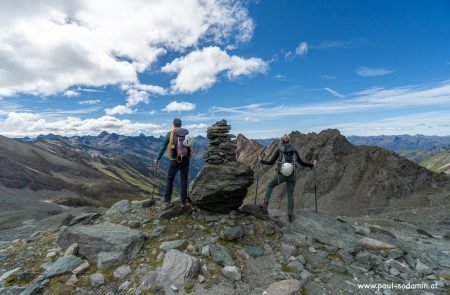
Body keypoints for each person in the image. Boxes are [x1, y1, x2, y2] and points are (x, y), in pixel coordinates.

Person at [258, 134, 316, 222]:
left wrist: (261, 160)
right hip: (292, 176)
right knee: (290, 195)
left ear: (281, 141)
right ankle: (290, 214)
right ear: (289, 141)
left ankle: (265, 203)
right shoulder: (294, 150)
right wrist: (312, 164)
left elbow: (271, 162)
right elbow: (301, 162)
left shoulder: (279, 150)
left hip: (281, 175)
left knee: (270, 186)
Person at [155, 118, 193, 207]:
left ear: (173, 124)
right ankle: (183, 201)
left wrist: (158, 158)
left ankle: (167, 200)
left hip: (174, 159)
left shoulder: (170, 133)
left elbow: (163, 147)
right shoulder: (186, 132)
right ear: (181, 124)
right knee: (184, 179)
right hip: (186, 159)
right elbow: (189, 146)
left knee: (170, 179)